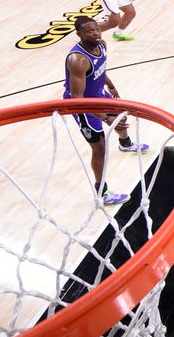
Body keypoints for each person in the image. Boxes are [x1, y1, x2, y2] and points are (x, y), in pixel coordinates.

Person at [64, 16, 150, 205]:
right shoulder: (77, 60)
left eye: (96, 29)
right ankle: (102, 192)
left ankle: (125, 143)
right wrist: (104, 118)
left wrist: (109, 85)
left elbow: (100, 69)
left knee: (119, 114)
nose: (95, 33)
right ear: (79, 34)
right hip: (81, 104)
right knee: (100, 147)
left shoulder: (101, 44)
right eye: (89, 31)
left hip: (97, 93)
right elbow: (77, 98)